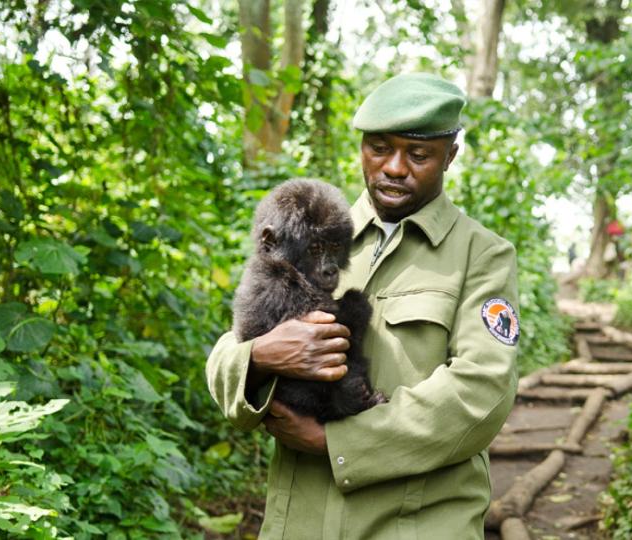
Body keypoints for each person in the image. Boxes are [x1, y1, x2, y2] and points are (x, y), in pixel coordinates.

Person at [205, 73, 519, 539]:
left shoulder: (482, 255)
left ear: (450, 155)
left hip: (414, 526)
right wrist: (261, 356)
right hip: (300, 522)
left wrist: (337, 443)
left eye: (418, 154)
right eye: (379, 148)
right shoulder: (315, 227)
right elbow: (232, 345)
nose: (394, 167)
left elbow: (482, 392)